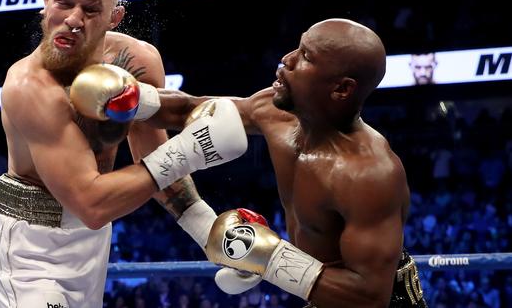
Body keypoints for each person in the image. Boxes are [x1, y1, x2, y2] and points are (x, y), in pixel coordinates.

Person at [0, 0, 247, 308]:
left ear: (114, 16)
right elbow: (91, 202)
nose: (73, 19)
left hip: (93, 240)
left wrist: (209, 231)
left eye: (91, 9)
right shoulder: (29, 85)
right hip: (29, 242)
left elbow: (154, 158)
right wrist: (193, 149)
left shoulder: (137, 62)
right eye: (64, 2)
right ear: (46, 1)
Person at [144, 18, 428, 307]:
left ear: (341, 89)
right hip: (320, 292)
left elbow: (369, 298)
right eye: (297, 46)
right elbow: (189, 110)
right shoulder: (273, 110)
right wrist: (130, 98)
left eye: (305, 55)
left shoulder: (369, 174)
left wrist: (267, 257)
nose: (287, 59)